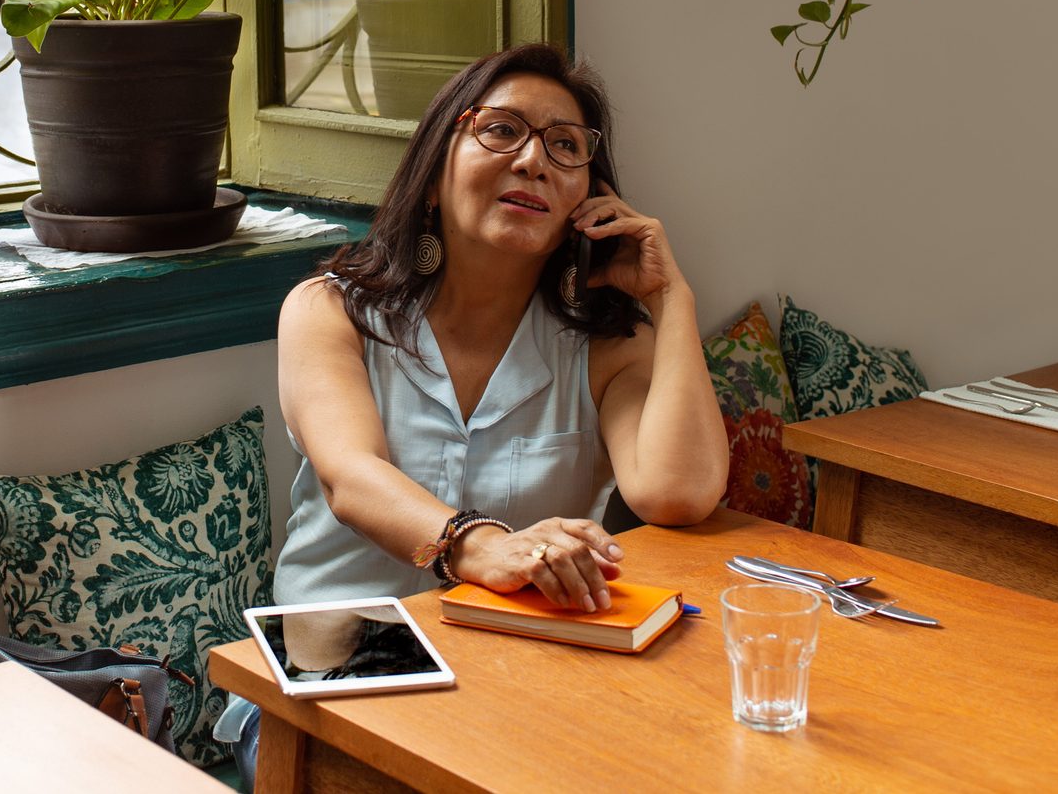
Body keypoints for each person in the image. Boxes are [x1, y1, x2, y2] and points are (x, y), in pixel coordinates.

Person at [216, 43, 729, 780]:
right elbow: (351, 478)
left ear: (584, 201)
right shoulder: (332, 312)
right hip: (341, 666)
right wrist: (478, 545)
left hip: (521, 676)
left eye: (563, 147)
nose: (533, 162)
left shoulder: (603, 347)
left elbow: (674, 494)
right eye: (501, 130)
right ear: (432, 174)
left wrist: (670, 298)